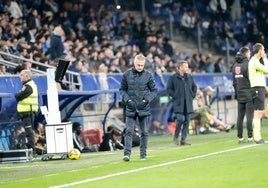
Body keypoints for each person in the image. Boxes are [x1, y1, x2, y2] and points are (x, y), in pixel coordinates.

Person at [120, 53, 158, 161]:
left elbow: (154, 90)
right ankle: (127, 154)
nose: (140, 67)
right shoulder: (126, 74)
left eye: (142, 65)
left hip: (143, 107)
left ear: (144, 64)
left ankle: (143, 155)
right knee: (129, 131)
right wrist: (128, 100)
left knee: (144, 132)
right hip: (130, 107)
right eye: (138, 65)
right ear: (134, 63)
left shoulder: (148, 75)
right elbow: (122, 90)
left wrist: (146, 100)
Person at [167, 60, 197, 145]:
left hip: (188, 103)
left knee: (187, 121)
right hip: (178, 103)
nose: (187, 68)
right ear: (180, 67)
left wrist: (192, 95)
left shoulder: (190, 77)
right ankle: (176, 136)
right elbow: (169, 89)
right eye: (185, 66)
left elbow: (194, 87)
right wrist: (175, 96)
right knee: (180, 119)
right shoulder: (173, 77)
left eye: (187, 66)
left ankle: (183, 139)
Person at [232, 46, 254, 144]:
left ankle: (240, 138)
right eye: (249, 53)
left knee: (240, 117)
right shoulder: (248, 64)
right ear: (245, 54)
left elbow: (234, 82)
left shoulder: (234, 65)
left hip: (239, 94)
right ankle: (250, 137)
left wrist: (237, 93)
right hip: (248, 94)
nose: (250, 55)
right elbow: (251, 79)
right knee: (250, 116)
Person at [15, 69, 39, 155]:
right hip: (26, 112)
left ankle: (32, 151)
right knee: (29, 132)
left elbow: (18, 96)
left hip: (27, 112)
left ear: (27, 76)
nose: (19, 76)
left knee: (29, 132)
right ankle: (32, 150)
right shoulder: (28, 85)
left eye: (21, 75)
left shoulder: (28, 86)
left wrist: (17, 94)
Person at [248, 43, 268, 144]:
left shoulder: (254, 61)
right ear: (259, 50)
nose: (264, 52)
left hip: (258, 88)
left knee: (258, 113)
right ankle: (257, 137)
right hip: (256, 89)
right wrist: (265, 59)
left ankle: (256, 136)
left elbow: (259, 74)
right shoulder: (254, 61)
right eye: (263, 50)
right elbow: (267, 70)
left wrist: (264, 86)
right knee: (258, 113)